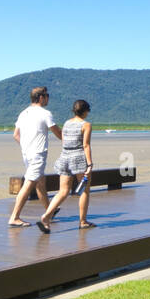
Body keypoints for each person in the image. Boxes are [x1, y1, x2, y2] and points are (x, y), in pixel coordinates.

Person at [8, 87, 64, 228]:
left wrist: (26, 146)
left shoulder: (23, 113)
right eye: (47, 95)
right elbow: (58, 132)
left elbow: (15, 135)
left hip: (27, 154)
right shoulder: (45, 113)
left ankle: (49, 211)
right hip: (37, 154)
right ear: (41, 97)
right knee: (29, 184)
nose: (48, 98)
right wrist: (72, 141)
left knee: (40, 183)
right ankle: (15, 217)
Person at [39, 99, 95, 232]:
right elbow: (86, 145)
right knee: (84, 191)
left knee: (63, 191)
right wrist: (90, 164)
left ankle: (46, 216)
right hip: (78, 158)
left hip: (64, 158)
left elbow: (64, 141)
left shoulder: (67, 123)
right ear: (86, 111)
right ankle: (83, 221)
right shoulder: (86, 125)